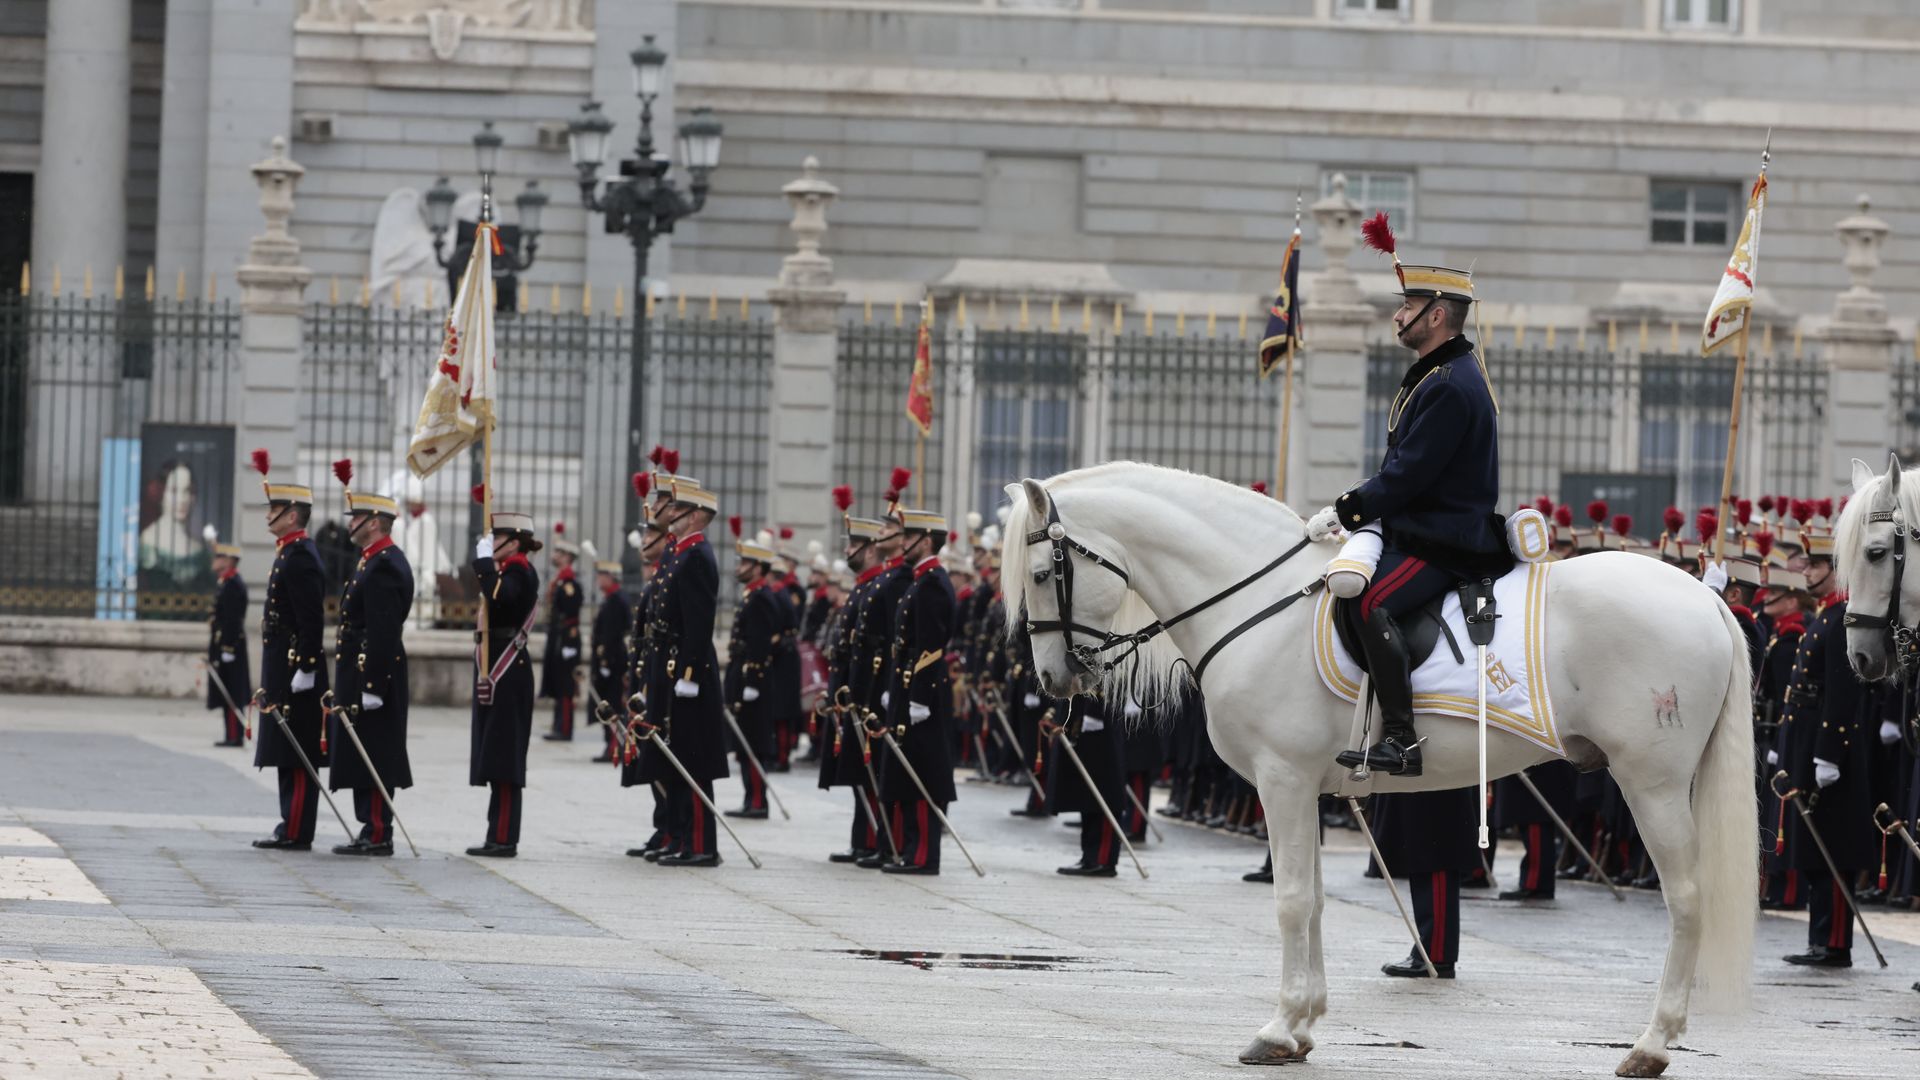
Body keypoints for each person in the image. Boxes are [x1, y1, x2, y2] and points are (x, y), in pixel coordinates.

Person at [1312, 227, 1508, 779]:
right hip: (1420, 528)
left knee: (1372, 602)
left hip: (1445, 538)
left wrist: (1346, 509)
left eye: (1409, 306)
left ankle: (1401, 738)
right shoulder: (1438, 374)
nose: (1399, 316)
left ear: (1438, 315)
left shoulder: (1448, 383)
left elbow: (1407, 476)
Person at [1778, 526, 1870, 966]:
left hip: (1829, 747)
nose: (1807, 571)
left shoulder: (1844, 620)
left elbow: (1841, 692)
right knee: (1814, 846)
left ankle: (1835, 943)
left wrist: (1829, 752)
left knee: (1832, 845)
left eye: (1815, 565)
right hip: (1808, 740)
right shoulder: (1826, 617)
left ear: (1836, 571)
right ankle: (1819, 939)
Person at [631, 477, 729, 867]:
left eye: (678, 510)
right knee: (673, 755)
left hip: (689, 672)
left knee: (692, 758)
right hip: (668, 665)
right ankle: (680, 835)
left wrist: (689, 672)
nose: (669, 514)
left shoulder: (698, 556)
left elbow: (699, 622)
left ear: (698, 516)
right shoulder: (678, 553)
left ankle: (702, 845)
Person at [327, 487, 414, 857]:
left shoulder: (385, 565)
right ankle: (368, 826)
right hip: (359, 669)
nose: (351, 524)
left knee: (374, 750)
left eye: (357, 517)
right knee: (361, 749)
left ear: (375, 522)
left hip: (372, 672)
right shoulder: (370, 559)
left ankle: (378, 830)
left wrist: (375, 684)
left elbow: (383, 629)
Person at [872, 506, 958, 875]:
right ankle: (909, 848)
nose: (902, 543)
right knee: (906, 773)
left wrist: (919, 696)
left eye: (908, 538)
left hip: (924, 692)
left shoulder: (934, 582)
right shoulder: (921, 581)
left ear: (926, 540)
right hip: (907, 687)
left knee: (921, 772)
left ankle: (923, 855)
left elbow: (930, 646)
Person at [251, 479, 330, 851]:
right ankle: (290, 823)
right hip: (283, 663)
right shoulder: (288, 552)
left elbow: (311, 619)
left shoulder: (301, 557)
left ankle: (297, 829)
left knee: (297, 748)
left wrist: (307, 667)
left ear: (292, 515)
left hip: (296, 667)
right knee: (286, 746)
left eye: (274, 510)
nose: (268, 516)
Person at [469, 511, 542, 857]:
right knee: (495, 754)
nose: (491, 543)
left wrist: (484, 564)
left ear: (513, 542)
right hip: (500, 665)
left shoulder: (519, 570)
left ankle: (503, 837)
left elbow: (501, 596)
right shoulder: (507, 569)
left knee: (505, 759)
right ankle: (496, 833)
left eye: (495, 539)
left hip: (508, 670)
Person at [823, 506, 891, 864]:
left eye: (853, 545)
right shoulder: (863, 588)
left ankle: (870, 839)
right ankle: (861, 838)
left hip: (868, 691)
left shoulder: (875, 588)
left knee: (868, 771)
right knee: (857, 771)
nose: (847, 551)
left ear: (868, 549)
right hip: (851, 689)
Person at [1367, 786, 1480, 978]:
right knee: (1419, 850)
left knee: (1435, 855)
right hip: (1420, 781)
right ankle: (1428, 951)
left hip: (1436, 782)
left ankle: (1436, 954)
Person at [725, 524, 787, 819]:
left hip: (755, 679)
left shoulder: (761, 597)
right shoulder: (752, 594)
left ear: (759, 567)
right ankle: (751, 798)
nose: (740, 568)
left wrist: (752, 680)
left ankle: (759, 801)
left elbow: (761, 643)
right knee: (744, 740)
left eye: (745, 563)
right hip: (745, 674)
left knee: (753, 740)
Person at [1044, 694, 1125, 877]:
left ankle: (1102, 859)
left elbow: (1102, 674)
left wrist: (1094, 713)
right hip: (1082, 718)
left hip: (1098, 721)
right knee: (1088, 794)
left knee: (1103, 791)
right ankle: (1089, 856)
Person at [206, 532, 251, 747]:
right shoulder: (226, 582)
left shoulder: (233, 584)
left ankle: (235, 735)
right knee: (227, 690)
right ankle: (230, 734)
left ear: (228, 560)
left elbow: (233, 620)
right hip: (224, 645)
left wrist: (228, 648)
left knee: (232, 691)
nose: (214, 561)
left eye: (218, 557)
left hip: (230, 647)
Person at [540, 523, 584, 742]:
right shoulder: (560, 580)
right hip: (558, 637)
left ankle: (565, 729)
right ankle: (559, 725)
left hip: (566, 638)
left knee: (566, 686)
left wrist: (567, 643)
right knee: (558, 684)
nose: (554, 555)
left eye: (558, 552)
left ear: (567, 556)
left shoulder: (569, 583)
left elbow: (570, 614)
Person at [589, 551, 631, 764]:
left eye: (601, 575)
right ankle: (611, 744)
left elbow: (613, 635)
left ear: (611, 577)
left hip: (613, 664)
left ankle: (615, 746)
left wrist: (606, 662)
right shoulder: (612, 599)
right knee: (607, 705)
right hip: (609, 662)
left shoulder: (616, 600)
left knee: (612, 705)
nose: (598, 579)